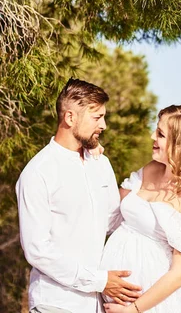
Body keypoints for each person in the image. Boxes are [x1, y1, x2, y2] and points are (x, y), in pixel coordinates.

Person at [16, 78, 142, 313]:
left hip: (97, 304)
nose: (103, 125)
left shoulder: (101, 164)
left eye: (104, 117)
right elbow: (37, 250)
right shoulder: (38, 172)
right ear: (70, 117)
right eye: (97, 117)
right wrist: (99, 281)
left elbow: (114, 223)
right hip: (55, 303)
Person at [101, 104, 181, 313]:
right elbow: (109, 209)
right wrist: (96, 162)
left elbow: (180, 273)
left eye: (160, 134)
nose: (152, 136)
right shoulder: (150, 170)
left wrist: (134, 309)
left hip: (156, 305)